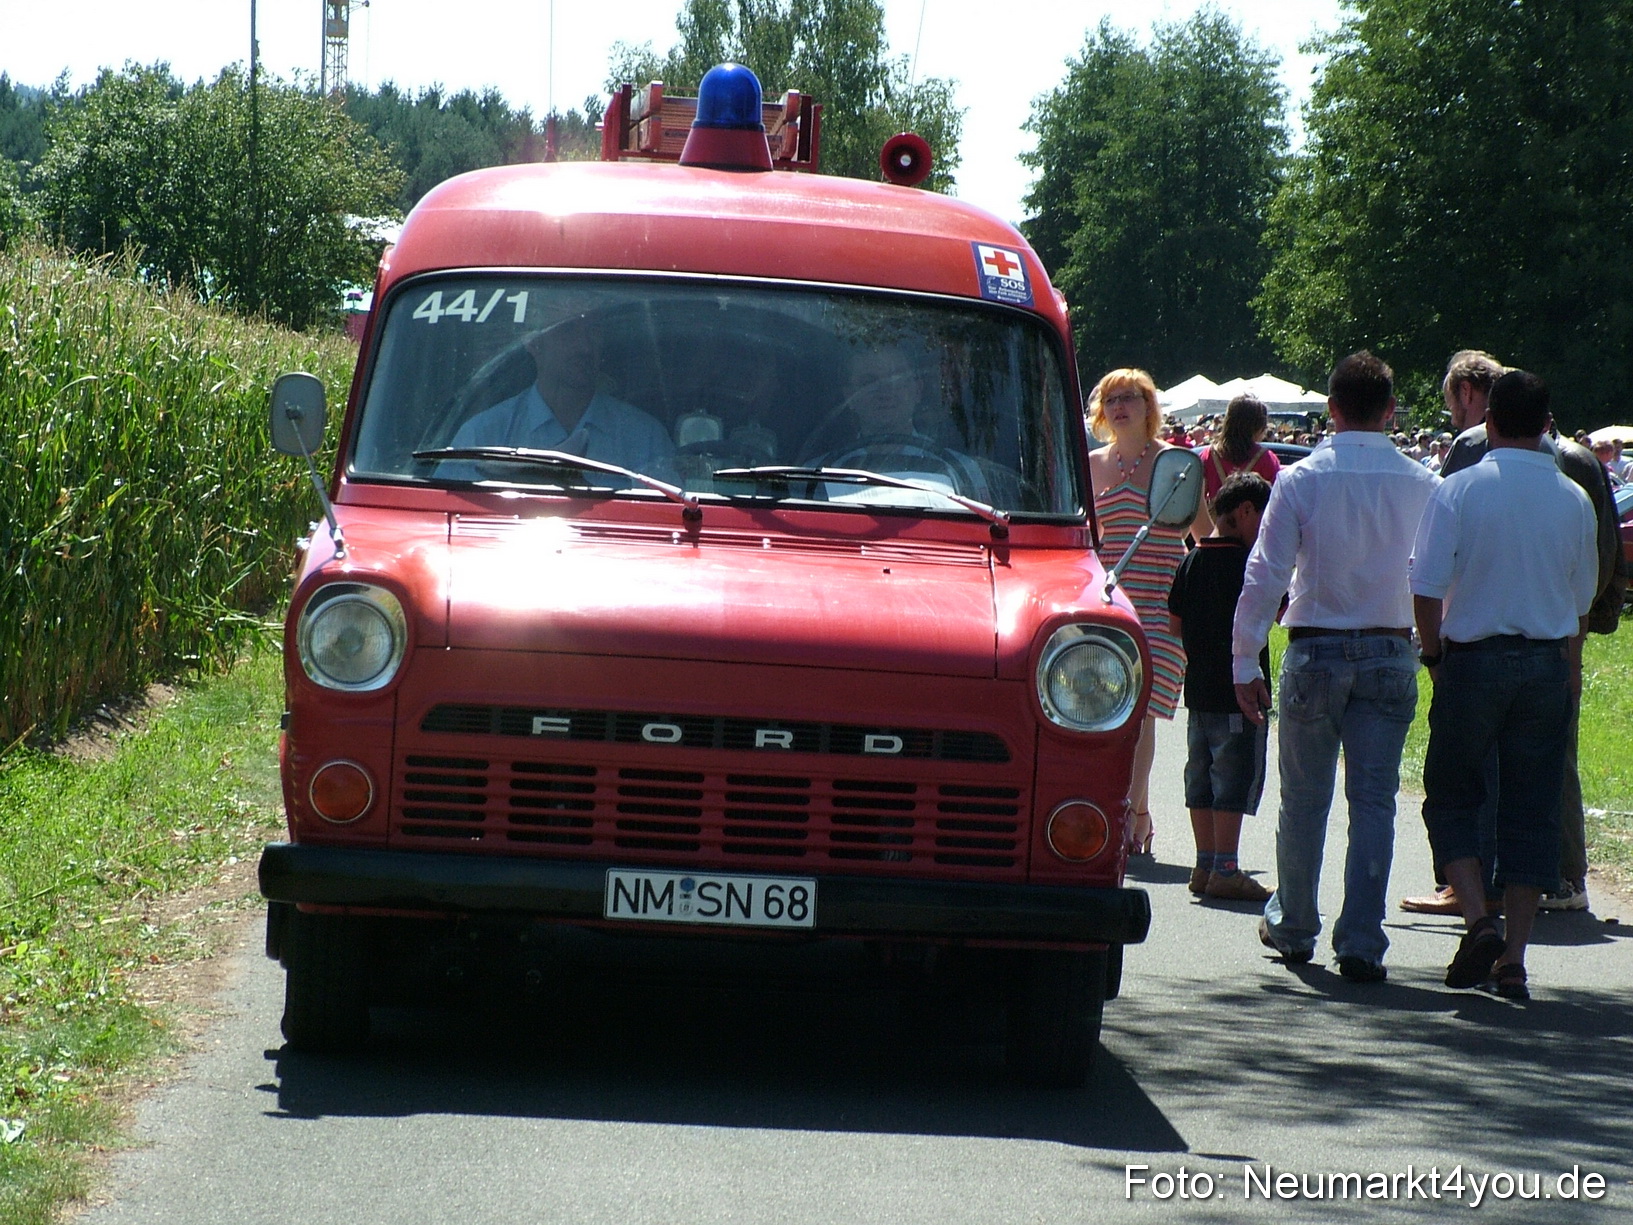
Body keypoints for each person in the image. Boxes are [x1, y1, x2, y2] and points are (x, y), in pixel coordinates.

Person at [1234, 351, 1438, 983]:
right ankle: (1361, 939)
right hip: (1387, 646)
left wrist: (1244, 656)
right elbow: (1434, 578)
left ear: (1330, 410)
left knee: (1304, 799)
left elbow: (1266, 573)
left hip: (1316, 646)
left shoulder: (1301, 480)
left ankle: (1295, 923)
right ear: (1390, 410)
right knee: (1374, 801)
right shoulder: (1423, 483)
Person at [1406, 353, 1625, 915]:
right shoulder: (1575, 496)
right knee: (1533, 807)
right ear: (1547, 422)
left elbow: (1426, 587)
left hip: (1474, 657)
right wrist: (1570, 666)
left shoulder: (1459, 489)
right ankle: (1515, 955)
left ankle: (1476, 910)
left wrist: (1433, 656)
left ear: (1491, 422)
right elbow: (1583, 596)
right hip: (1547, 659)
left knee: (1455, 794)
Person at [1088, 368, 1191, 856]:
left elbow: (1205, 535)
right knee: (1116, 716)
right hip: (1111, 603)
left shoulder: (1177, 465)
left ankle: (1127, 814)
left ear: (1150, 406)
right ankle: (1139, 814)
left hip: (1163, 603)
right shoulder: (1088, 466)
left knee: (1143, 715)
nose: (1120, 405)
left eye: (1131, 396)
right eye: (1111, 399)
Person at [1168, 472, 1275, 902]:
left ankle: (1205, 862)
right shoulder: (1247, 565)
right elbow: (1269, 613)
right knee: (1232, 778)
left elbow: (1175, 622)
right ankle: (1227, 867)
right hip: (1239, 692)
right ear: (1245, 511)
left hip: (1198, 690)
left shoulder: (1191, 559)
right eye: (1264, 518)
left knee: (1201, 776)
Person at [450, 313, 675, 477]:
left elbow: (668, 525)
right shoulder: (483, 435)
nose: (585, 347)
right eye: (567, 329)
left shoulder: (645, 439)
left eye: (593, 330)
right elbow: (449, 521)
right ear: (533, 343)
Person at [805, 344, 1002, 502]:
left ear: (917, 390)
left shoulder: (961, 470)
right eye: (868, 382)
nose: (884, 392)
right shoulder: (816, 476)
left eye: (896, 379)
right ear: (850, 397)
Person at [1194, 394, 1281, 537]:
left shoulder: (1208, 456)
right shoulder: (1267, 459)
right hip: (1252, 540)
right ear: (1258, 426)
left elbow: (1196, 503)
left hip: (1216, 535)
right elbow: (1276, 505)